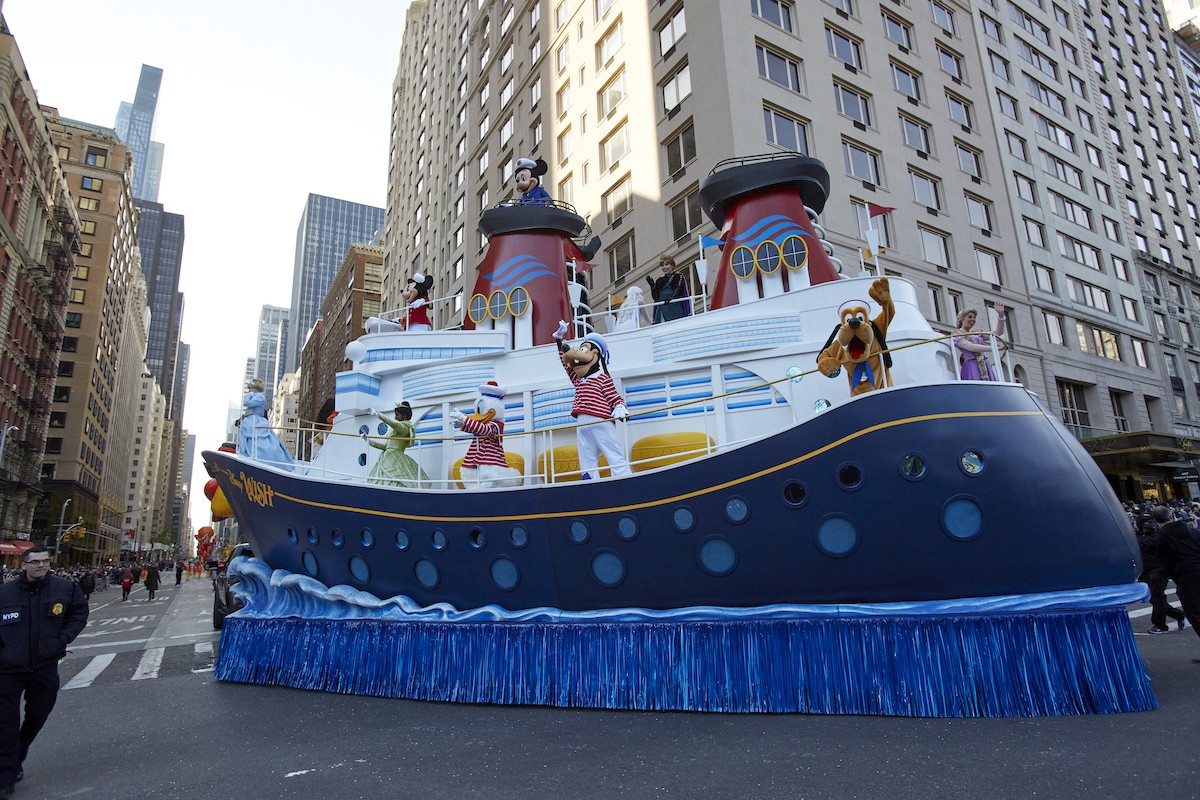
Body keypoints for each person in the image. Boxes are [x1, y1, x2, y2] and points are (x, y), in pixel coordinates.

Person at [0, 547, 88, 797]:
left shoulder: (64, 588)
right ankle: (5, 775)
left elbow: (79, 613)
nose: (41, 566)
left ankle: (17, 754)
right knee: (5, 723)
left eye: (45, 561)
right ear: (23, 565)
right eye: (35, 562)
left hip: (44, 666)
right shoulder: (5, 593)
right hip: (8, 669)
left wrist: (62, 639)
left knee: (38, 715)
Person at [552, 322, 631, 480]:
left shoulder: (602, 378)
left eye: (583, 350)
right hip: (582, 423)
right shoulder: (579, 380)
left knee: (612, 451)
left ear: (595, 355)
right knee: (586, 457)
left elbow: (613, 396)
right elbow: (566, 365)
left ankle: (624, 478)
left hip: (600, 419)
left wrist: (620, 406)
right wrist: (559, 340)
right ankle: (589, 481)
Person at [1153, 505, 1200, 662]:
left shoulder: (1161, 537)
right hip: (1194, 570)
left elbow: (1157, 557)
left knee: (1196, 614)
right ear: (1171, 516)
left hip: (1185, 576)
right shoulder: (1191, 531)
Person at [362, 402, 430, 488]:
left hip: (396, 457)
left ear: (404, 416)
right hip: (386, 457)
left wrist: (376, 414)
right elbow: (385, 447)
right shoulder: (396, 429)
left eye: (397, 415)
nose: (395, 417)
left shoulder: (405, 428)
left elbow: (393, 423)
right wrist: (368, 440)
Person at [1138, 514, 1186, 633]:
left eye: (1150, 521)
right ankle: (1178, 615)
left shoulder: (1158, 537)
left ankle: (1160, 625)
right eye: (1146, 522)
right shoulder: (1138, 536)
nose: (1149, 524)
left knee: (1157, 597)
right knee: (1153, 598)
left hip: (1158, 570)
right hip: (1144, 571)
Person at [237, 378, 294, 470]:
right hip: (249, 420)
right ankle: (247, 454)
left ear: (254, 388)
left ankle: (262, 458)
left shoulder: (259, 397)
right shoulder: (255, 396)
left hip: (255, 420)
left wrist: (250, 395)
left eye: (251, 389)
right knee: (249, 439)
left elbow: (247, 403)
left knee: (260, 440)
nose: (249, 391)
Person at [954, 304, 1007, 381]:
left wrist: (1001, 315)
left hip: (985, 365)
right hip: (972, 366)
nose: (973, 319)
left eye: (974, 317)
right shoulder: (957, 334)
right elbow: (971, 347)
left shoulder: (977, 333)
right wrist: (996, 348)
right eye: (970, 317)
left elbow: (998, 333)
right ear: (962, 319)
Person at [647, 256, 691, 324]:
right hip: (662, 308)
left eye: (666, 264)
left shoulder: (679, 276)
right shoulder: (659, 280)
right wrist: (652, 286)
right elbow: (656, 297)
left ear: (672, 266)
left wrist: (671, 298)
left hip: (675, 307)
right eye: (662, 265)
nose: (664, 267)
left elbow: (678, 289)